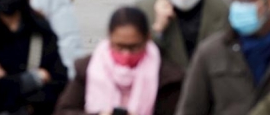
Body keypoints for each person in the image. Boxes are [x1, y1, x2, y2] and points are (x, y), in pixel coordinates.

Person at [54, 7, 185, 115]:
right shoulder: (87, 68)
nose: (126, 54)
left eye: (133, 47)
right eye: (119, 46)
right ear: (109, 38)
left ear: (147, 39)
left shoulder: (167, 77)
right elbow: (63, 111)